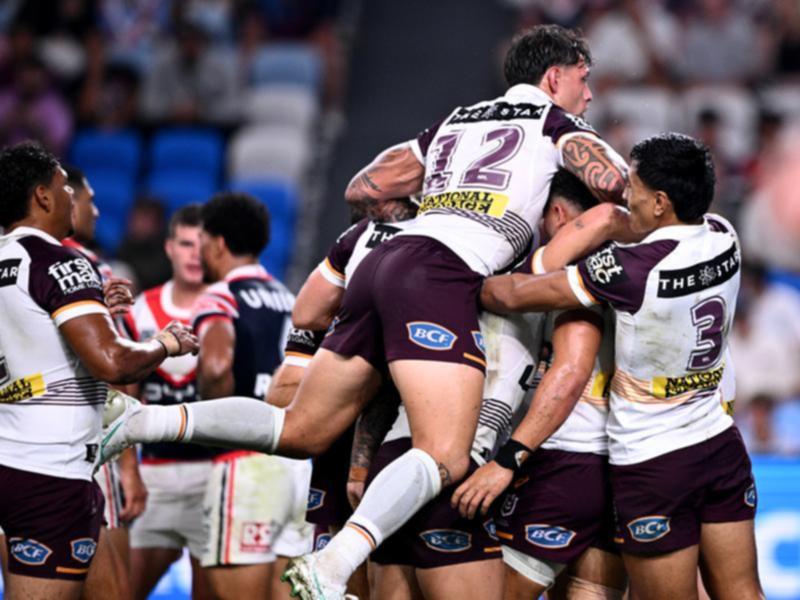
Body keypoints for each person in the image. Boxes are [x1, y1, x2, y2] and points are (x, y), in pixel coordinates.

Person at [98, 24, 627, 600]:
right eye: (584, 79)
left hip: (385, 257)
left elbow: (364, 188)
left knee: (298, 429)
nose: (589, 94)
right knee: (444, 453)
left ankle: (142, 422)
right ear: (555, 77)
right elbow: (615, 182)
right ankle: (334, 563)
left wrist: (443, 201)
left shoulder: (454, 121)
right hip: (444, 272)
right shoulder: (557, 125)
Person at [479, 133, 763, 599]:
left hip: (655, 464)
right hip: (719, 443)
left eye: (632, 187)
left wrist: (459, 279)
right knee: (743, 592)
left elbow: (514, 293)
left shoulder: (629, 270)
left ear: (661, 202)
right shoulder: (723, 236)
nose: (624, 196)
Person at [0, 141, 197, 600]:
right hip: (52, 471)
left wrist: (89, 312)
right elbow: (110, 361)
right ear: (42, 196)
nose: (72, 197)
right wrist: (165, 343)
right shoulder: (63, 261)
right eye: (65, 186)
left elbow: (26, 330)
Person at [452, 169, 626, 599]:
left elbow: (571, 369)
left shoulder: (580, 275)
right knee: (589, 590)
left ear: (558, 213)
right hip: (621, 461)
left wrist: (507, 460)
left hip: (567, 461)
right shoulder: (633, 265)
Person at [189, 193, 313, 600]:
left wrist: (211, 422)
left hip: (246, 461)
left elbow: (216, 366)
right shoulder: (290, 298)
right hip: (295, 463)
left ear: (219, 243)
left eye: (202, 240)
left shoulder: (220, 295)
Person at [120, 205, 213, 600]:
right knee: (123, 592)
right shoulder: (141, 311)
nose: (195, 255)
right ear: (169, 248)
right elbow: (126, 395)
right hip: (154, 476)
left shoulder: (229, 307)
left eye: (202, 245)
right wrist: (130, 471)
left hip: (215, 477)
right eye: (186, 244)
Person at [62, 164, 146, 600]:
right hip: (88, 449)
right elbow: (120, 368)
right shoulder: (87, 267)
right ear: (60, 200)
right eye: (89, 201)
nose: (96, 211)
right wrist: (129, 467)